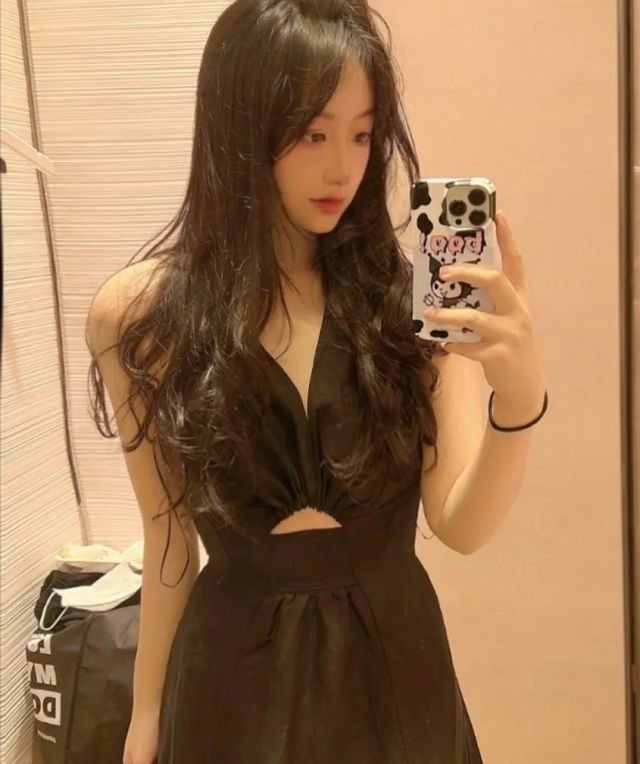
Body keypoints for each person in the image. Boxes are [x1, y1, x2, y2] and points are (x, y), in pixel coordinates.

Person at [86, 1, 548, 761]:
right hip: (228, 681)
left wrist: (520, 399)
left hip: (395, 676)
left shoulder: (407, 306)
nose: (343, 168)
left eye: (362, 134)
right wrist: (146, 717)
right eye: (313, 133)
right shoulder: (142, 317)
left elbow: (461, 526)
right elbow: (168, 542)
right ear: (240, 127)